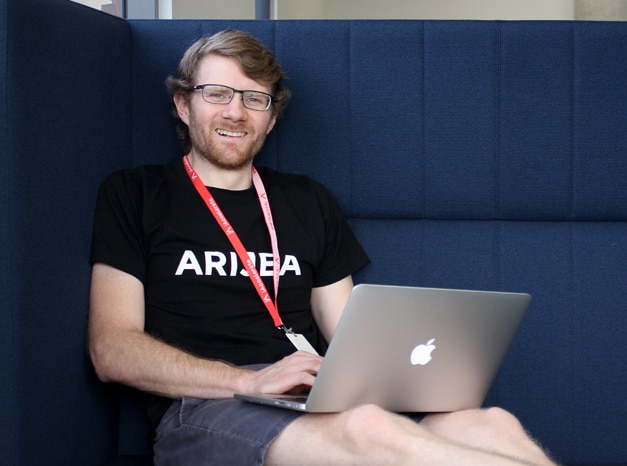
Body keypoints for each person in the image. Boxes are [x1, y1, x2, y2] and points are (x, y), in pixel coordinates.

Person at [88, 29, 557, 466]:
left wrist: (409, 374)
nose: (235, 112)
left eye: (255, 99)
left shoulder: (306, 199)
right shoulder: (135, 193)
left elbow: (350, 334)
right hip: (206, 407)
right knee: (369, 428)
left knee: (491, 424)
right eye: (217, 94)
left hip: (314, 397)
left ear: (271, 120)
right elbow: (112, 350)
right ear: (183, 105)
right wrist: (248, 381)